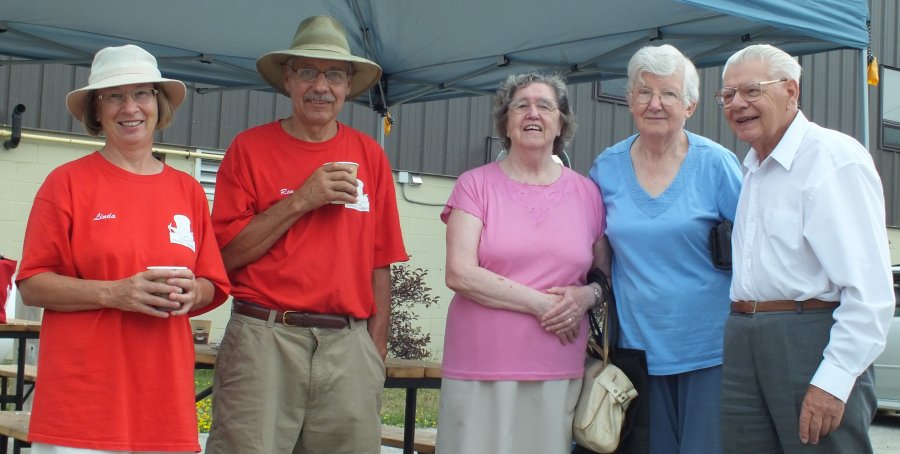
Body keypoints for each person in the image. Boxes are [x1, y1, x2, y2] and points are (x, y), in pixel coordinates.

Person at [205, 16, 408, 454]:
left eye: (334, 74)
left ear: (348, 84)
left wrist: (373, 352)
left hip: (348, 346)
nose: (321, 86)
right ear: (288, 79)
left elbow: (381, 261)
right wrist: (302, 199)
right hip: (264, 338)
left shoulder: (369, 155)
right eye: (308, 72)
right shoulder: (249, 149)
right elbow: (223, 255)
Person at [15, 44, 230, 453]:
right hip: (83, 407)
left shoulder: (186, 189)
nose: (129, 107)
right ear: (96, 111)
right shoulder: (67, 184)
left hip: (163, 405)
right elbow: (32, 283)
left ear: (158, 103)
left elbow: (211, 284)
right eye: (114, 96)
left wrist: (191, 293)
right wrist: (114, 293)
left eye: (141, 94)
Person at [717, 43, 895, 453]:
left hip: (808, 341)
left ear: (791, 91)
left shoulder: (833, 159)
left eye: (751, 91)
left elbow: (869, 293)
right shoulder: (753, 169)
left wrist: (834, 380)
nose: (737, 104)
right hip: (745, 340)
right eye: (727, 95)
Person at [436, 72, 607, 454]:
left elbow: (603, 277)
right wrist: (543, 304)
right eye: (521, 105)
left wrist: (586, 297)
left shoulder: (588, 193)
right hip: (481, 362)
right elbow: (460, 272)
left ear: (561, 122)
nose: (533, 113)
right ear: (506, 121)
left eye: (545, 106)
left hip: (556, 363)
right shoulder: (474, 185)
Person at [587, 44, 742, 454]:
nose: (655, 104)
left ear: (690, 105)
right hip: (635, 354)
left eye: (669, 93)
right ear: (629, 101)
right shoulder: (606, 168)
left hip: (709, 350)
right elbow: (590, 251)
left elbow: (756, 248)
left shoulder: (717, 164)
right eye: (644, 92)